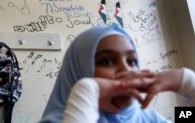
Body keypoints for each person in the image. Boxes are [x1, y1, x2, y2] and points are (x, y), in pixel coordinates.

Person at [39, 23, 195, 123]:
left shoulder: (150, 119)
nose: (126, 70)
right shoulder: (59, 120)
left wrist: (188, 83)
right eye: (107, 61)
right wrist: (87, 92)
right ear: (79, 70)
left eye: (132, 61)